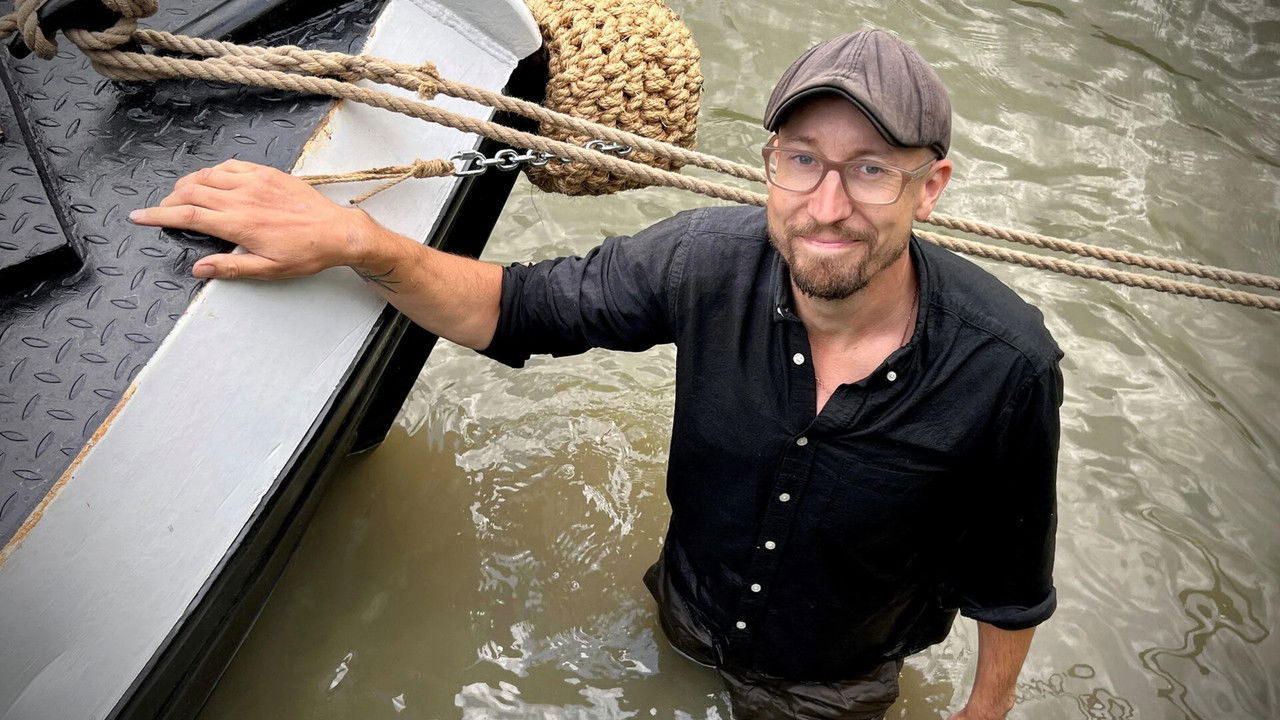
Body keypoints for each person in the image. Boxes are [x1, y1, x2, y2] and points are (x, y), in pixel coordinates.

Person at [130, 29, 1062, 720]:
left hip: (834, 678)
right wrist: (358, 241)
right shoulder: (702, 262)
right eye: (803, 160)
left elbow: (1010, 579)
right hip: (686, 607)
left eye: (871, 171)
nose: (827, 205)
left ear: (930, 187)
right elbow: (519, 307)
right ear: (769, 163)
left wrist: (985, 710)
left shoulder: (1006, 367)